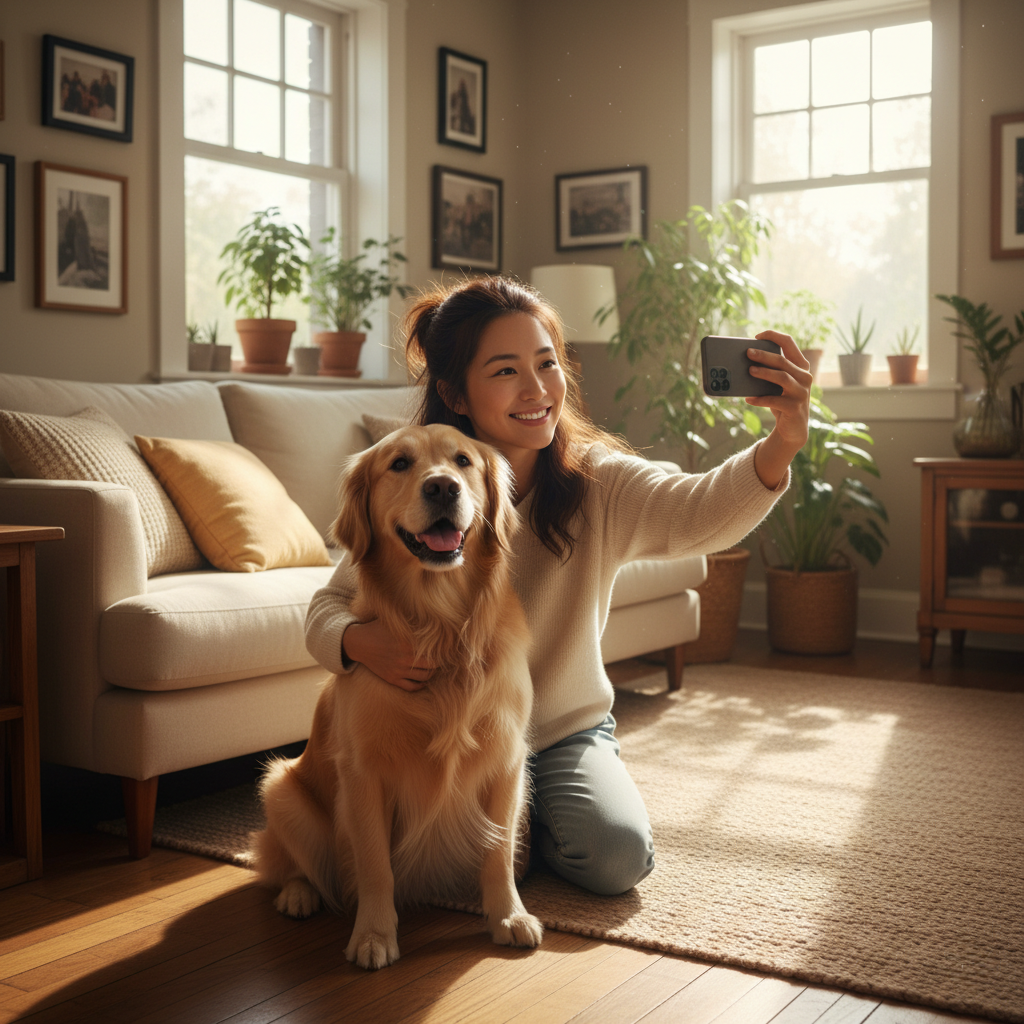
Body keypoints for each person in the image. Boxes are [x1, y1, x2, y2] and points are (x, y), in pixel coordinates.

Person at [305, 275, 811, 897]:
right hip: (457, 740)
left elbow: (698, 510)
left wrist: (782, 443)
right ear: (454, 394)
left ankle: (523, 829)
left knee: (616, 858)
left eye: (547, 363)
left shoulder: (597, 482)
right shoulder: (422, 495)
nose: (537, 388)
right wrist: (358, 643)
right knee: (447, 874)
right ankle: (500, 837)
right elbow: (327, 607)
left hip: (564, 729)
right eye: (505, 371)